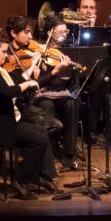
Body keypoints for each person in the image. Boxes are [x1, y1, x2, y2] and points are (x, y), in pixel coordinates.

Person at [0, 29, 60, 199]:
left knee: (41, 131)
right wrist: (27, 84)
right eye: (4, 52)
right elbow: (8, 92)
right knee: (38, 139)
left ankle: (42, 176)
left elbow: (14, 82)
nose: (6, 56)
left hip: (6, 119)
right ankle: (21, 180)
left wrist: (29, 77)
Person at [30, 18, 83, 170]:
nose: (64, 35)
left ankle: (69, 155)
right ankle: (48, 152)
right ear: (49, 33)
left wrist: (72, 72)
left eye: (65, 31)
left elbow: (72, 81)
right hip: (44, 93)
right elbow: (38, 80)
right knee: (46, 105)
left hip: (63, 92)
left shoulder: (69, 51)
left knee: (72, 104)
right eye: (60, 31)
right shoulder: (39, 50)